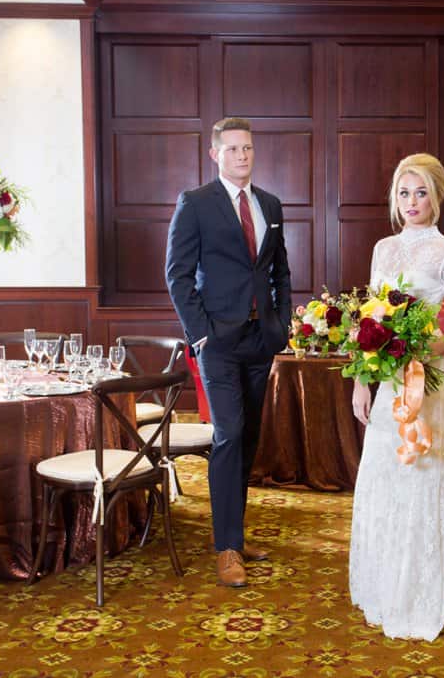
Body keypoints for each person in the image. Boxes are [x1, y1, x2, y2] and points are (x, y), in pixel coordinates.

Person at [349, 153, 444, 641]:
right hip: (386, 375)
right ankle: (383, 585)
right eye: (404, 193)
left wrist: (431, 347)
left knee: (419, 469)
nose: (412, 202)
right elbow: (369, 319)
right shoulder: (383, 248)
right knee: (383, 470)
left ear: (437, 197)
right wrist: (362, 379)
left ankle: (419, 591)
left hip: (428, 377)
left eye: (421, 192)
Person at [166, 117, 292, 587]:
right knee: (229, 433)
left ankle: (234, 535)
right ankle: (225, 550)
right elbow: (177, 275)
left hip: (262, 339)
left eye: (249, 148)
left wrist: (280, 324)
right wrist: (200, 335)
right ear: (216, 154)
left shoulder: (270, 205)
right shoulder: (195, 203)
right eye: (234, 149)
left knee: (250, 438)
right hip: (217, 341)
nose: (243, 155)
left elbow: (280, 271)